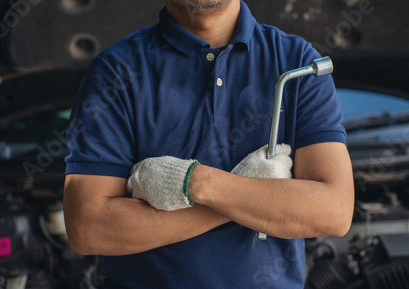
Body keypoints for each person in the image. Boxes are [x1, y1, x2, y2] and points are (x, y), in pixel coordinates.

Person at [63, 0, 354, 288]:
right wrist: (249, 192)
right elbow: (89, 228)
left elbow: (334, 211)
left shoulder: (296, 61)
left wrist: (198, 184)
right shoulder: (115, 72)